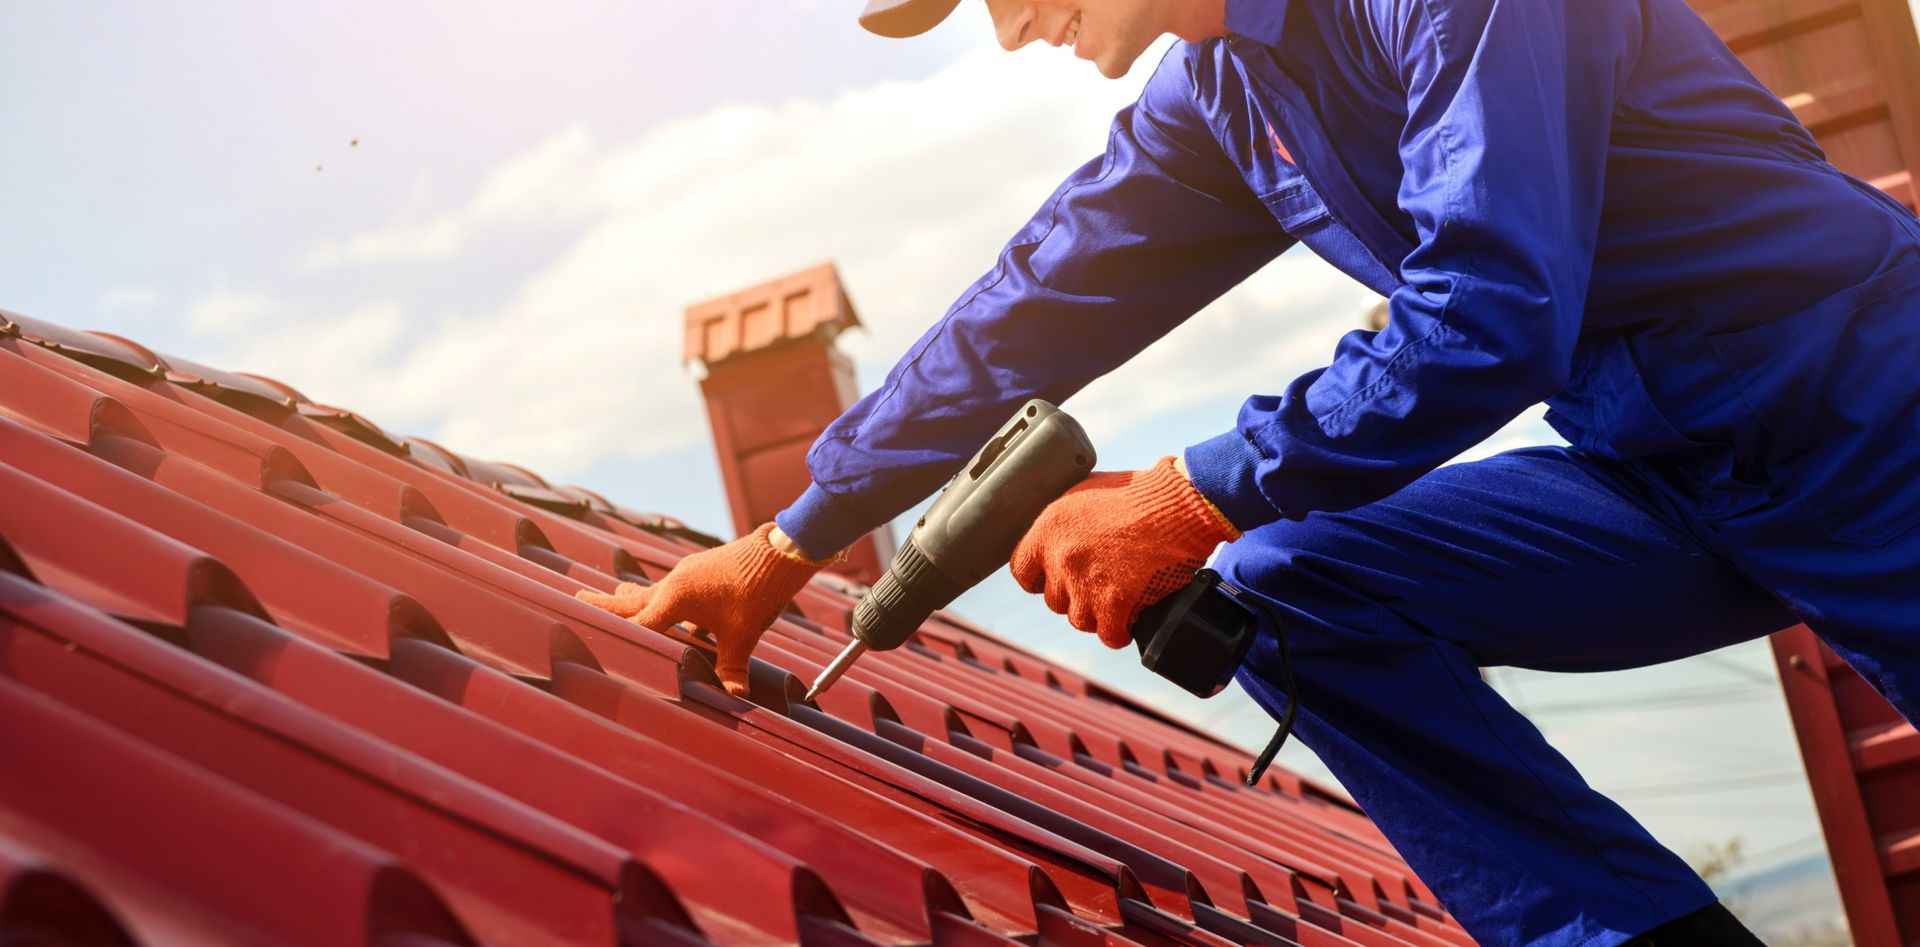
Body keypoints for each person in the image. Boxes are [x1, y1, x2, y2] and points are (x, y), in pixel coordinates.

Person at [579, 0, 1920, 942]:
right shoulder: (1224, 97)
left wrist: (1193, 489)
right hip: (1661, 478)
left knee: (1244, 530)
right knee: (1291, 588)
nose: (1006, 29)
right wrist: (793, 541)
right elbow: (1027, 309)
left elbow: (1492, 302)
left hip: (1872, 425)